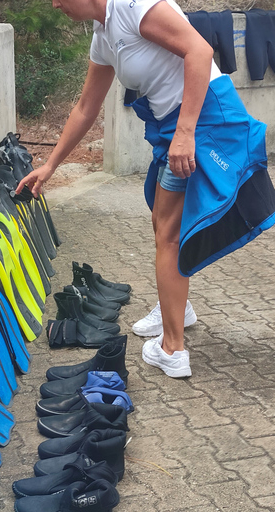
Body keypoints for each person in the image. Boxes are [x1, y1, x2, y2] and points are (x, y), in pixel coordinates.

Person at [16, 0, 273, 378]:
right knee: (162, 221)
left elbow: (199, 50)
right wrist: (51, 165)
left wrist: (185, 134)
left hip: (204, 120)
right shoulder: (103, 35)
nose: (55, 4)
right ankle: (177, 310)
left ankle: (172, 349)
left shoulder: (133, 6)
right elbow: (86, 108)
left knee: (168, 233)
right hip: (174, 126)